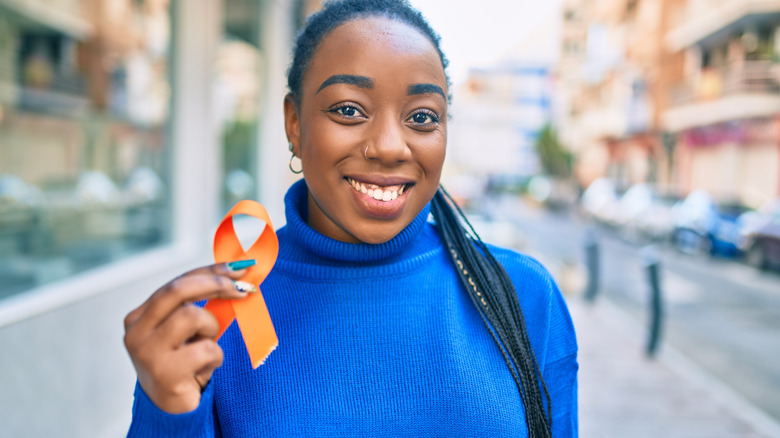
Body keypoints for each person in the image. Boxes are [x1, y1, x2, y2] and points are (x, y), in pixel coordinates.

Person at [123, 0, 578, 436]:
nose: (388, 146)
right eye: (348, 110)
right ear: (294, 123)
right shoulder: (210, 322)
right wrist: (166, 410)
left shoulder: (522, 295)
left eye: (422, 117)